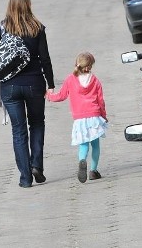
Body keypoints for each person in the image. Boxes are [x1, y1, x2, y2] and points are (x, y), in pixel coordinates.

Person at [0, 0, 55, 188]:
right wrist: (50, 84)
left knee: (18, 131)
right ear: (29, 5)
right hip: (34, 84)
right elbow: (45, 59)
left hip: (10, 87)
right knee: (37, 124)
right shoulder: (37, 28)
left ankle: (25, 178)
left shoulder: (1, 28)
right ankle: (37, 166)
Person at [46, 52, 108, 183]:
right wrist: (103, 115)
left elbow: (61, 96)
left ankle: (82, 161)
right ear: (90, 66)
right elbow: (100, 100)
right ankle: (93, 170)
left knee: (83, 145)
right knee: (95, 145)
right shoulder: (95, 80)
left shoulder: (70, 79)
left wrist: (49, 96)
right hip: (94, 116)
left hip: (80, 118)